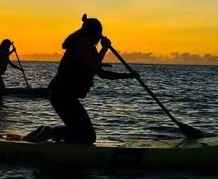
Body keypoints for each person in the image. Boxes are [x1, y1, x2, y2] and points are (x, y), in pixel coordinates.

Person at [24, 14, 136, 144]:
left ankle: (46, 132)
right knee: (87, 135)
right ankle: (50, 132)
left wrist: (104, 50)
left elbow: (92, 64)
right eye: (99, 33)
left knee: (81, 132)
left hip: (62, 94)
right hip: (62, 94)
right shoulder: (83, 45)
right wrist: (129, 76)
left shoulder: (84, 44)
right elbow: (99, 72)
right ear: (94, 33)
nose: (100, 38)